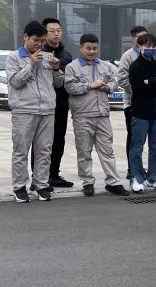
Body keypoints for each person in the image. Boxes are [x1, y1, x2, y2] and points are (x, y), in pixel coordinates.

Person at [64, 34, 129, 197]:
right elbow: (70, 88)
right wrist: (90, 85)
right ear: (81, 48)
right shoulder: (72, 67)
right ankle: (87, 182)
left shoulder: (105, 65)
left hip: (102, 114)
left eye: (94, 48)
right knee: (84, 151)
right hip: (82, 115)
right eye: (88, 48)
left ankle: (113, 182)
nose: (92, 51)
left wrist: (107, 87)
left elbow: (115, 81)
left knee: (107, 150)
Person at [7, 20, 62, 203]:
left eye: (42, 41)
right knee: (21, 151)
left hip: (47, 110)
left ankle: (41, 184)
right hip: (24, 110)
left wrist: (56, 69)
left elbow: (58, 84)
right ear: (26, 37)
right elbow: (15, 82)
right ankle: (19, 186)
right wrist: (30, 64)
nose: (39, 44)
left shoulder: (46, 56)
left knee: (44, 150)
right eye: (36, 40)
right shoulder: (14, 57)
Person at [125, 33, 156, 191]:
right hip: (140, 112)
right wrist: (155, 81)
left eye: (153, 46)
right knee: (137, 146)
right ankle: (136, 177)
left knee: (155, 146)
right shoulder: (135, 66)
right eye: (147, 46)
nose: (151, 49)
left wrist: (148, 81)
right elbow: (138, 87)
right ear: (140, 46)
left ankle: (153, 176)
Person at [40, 18, 75, 188]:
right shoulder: (40, 53)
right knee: (41, 143)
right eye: (52, 31)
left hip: (61, 104)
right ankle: (39, 176)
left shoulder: (66, 54)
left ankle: (54, 174)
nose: (56, 34)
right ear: (45, 34)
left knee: (59, 140)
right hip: (44, 104)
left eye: (58, 30)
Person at [117, 25, 148, 183]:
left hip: (147, 103)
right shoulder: (128, 56)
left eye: (145, 37)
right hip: (132, 103)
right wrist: (137, 90)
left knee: (143, 138)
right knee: (134, 137)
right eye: (139, 37)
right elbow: (122, 78)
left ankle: (139, 166)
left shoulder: (149, 53)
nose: (143, 40)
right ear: (133, 39)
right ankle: (132, 169)